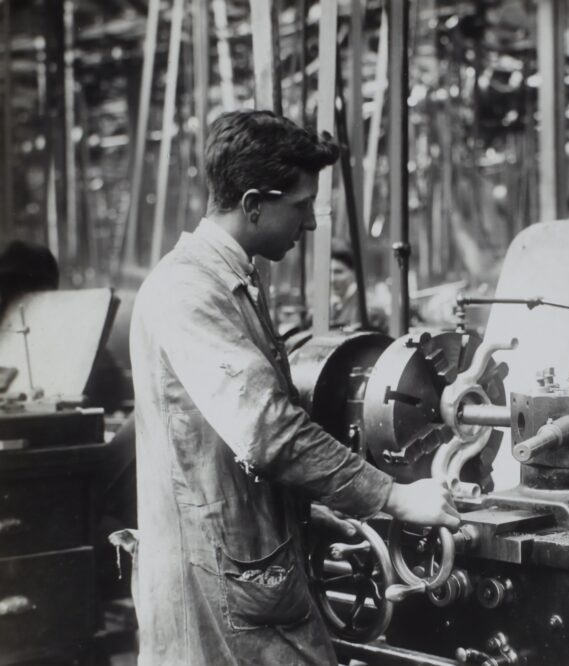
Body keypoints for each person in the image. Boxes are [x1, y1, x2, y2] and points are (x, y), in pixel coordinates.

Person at [129, 110, 460, 665]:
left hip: (242, 560)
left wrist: (299, 512)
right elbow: (267, 431)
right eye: (302, 206)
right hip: (220, 585)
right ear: (254, 203)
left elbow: (226, 450)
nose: (309, 224)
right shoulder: (188, 291)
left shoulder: (229, 281)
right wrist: (397, 497)